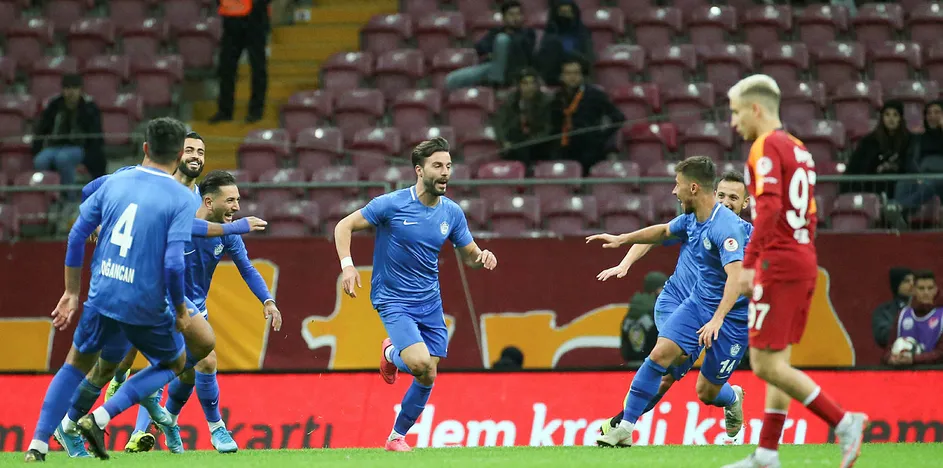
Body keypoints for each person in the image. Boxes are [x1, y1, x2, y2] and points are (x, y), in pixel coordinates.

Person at [52, 133, 268, 458]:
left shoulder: (192, 196)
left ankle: (105, 417)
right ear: (174, 154)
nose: (195, 156)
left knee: (199, 353)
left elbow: (195, 233)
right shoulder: (142, 180)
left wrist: (266, 297)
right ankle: (81, 421)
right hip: (136, 284)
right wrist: (97, 222)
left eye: (201, 151)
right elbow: (90, 193)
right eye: (189, 150)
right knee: (113, 366)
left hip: (163, 292)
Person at [24, 117, 201, 462]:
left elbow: (77, 233)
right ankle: (101, 416)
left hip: (102, 292)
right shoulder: (182, 197)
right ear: (180, 155)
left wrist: (71, 292)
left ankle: (38, 444)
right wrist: (180, 310)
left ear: (145, 147)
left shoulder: (115, 181)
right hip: (143, 302)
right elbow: (174, 263)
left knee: (74, 364)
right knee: (175, 361)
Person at [723, 74, 867, 468]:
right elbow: (811, 213)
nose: (733, 122)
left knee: (764, 364)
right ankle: (767, 454)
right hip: (801, 256)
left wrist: (750, 264)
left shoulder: (765, 145)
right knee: (778, 363)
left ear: (755, 109)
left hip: (778, 262)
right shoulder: (799, 149)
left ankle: (844, 422)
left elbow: (768, 208)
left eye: (736, 112)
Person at [333, 137, 498, 452]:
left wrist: (483, 258)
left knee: (427, 374)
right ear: (419, 170)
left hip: (430, 302)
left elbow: (470, 256)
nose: (445, 172)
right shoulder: (391, 204)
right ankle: (390, 353)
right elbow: (344, 226)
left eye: (448, 166)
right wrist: (348, 265)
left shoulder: (452, 213)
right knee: (421, 363)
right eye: (437, 166)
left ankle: (396, 437)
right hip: (393, 299)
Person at [590, 157, 751, 448]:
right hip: (687, 302)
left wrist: (718, 319)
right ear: (713, 192)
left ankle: (732, 396)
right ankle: (623, 426)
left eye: (733, 198)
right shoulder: (693, 220)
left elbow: (738, 278)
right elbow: (661, 232)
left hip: (730, 318)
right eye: (722, 194)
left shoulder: (734, 231)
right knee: (662, 357)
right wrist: (622, 243)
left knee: (706, 392)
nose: (674, 191)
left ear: (745, 203)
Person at [128, 170, 283, 454]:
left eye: (238, 200)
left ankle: (164, 423)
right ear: (209, 202)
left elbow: (247, 269)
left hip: (197, 310)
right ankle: (214, 428)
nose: (237, 207)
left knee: (186, 375)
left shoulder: (228, 233)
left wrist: (268, 300)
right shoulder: (181, 225)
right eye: (231, 200)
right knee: (203, 362)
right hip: (167, 306)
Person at [549, 57, 625, 174]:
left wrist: (600, 137)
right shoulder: (558, 97)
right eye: (568, 73)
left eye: (576, 73)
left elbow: (618, 117)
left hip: (589, 151)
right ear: (562, 76)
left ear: (582, 75)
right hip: (564, 149)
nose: (572, 77)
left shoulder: (595, 94)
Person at [32, 73, 106, 187]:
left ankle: (68, 193)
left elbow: (96, 135)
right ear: (62, 90)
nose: (71, 92)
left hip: (79, 147)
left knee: (63, 159)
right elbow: (42, 129)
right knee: (40, 160)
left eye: (74, 88)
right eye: (67, 88)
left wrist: (90, 154)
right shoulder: (54, 105)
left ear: (80, 90)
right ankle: (48, 192)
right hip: (55, 146)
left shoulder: (89, 107)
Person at [444, 1, 536, 90]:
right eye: (511, 15)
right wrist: (495, 51)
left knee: (502, 39)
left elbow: (522, 48)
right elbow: (480, 47)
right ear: (504, 17)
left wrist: (503, 43)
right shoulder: (497, 31)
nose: (515, 18)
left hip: (517, 69)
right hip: (494, 66)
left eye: (518, 14)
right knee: (452, 79)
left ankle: (496, 85)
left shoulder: (528, 32)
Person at [210, 0, 271, 124]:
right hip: (230, 20)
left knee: (258, 67)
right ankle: (225, 111)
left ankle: (256, 111)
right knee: (226, 68)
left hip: (254, 18)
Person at [842, 101, 910, 196]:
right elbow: (856, 167)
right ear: (882, 118)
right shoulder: (869, 141)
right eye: (887, 115)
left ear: (900, 118)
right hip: (872, 189)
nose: (891, 119)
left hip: (901, 190)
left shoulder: (909, 140)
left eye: (895, 115)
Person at [883, 270, 943, 366]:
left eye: (930, 288)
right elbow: (888, 350)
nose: (926, 292)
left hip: (934, 374)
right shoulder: (902, 315)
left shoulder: (941, 316)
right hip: (904, 373)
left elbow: (941, 354)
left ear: (935, 290)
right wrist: (891, 359)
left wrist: (914, 359)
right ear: (914, 290)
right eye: (921, 288)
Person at [871, 267, 914, 348]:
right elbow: (882, 337)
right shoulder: (884, 311)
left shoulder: (926, 309)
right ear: (897, 285)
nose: (912, 284)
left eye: (914, 281)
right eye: (906, 281)